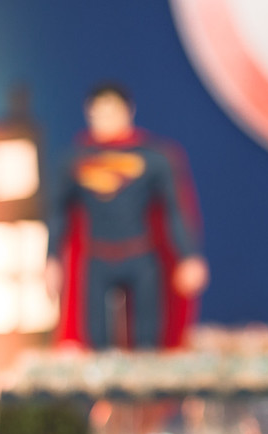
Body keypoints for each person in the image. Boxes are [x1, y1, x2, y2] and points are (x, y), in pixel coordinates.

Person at [56, 83, 208, 349]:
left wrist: (188, 255)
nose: (105, 120)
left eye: (112, 112)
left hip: (141, 255)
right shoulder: (75, 160)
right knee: (96, 340)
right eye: (98, 113)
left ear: (129, 111)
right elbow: (58, 212)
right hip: (97, 257)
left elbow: (175, 209)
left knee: (148, 339)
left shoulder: (154, 157)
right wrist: (52, 257)